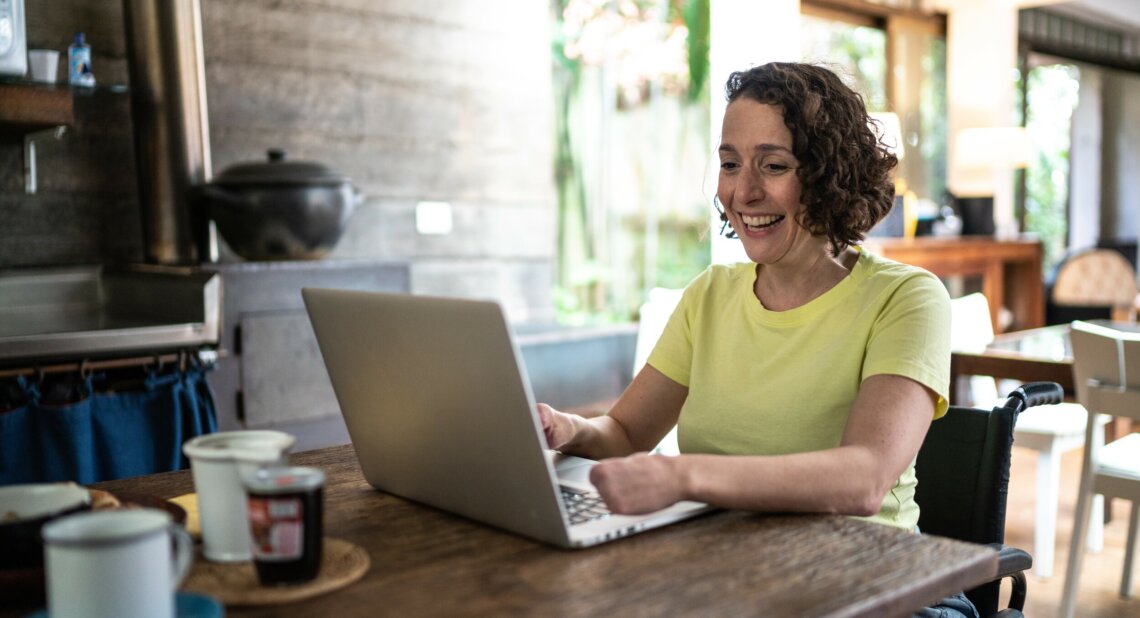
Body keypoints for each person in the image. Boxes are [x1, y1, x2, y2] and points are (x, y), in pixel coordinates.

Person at [537, 62, 972, 617]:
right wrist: (566, 427)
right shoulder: (711, 294)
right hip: (729, 574)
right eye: (729, 164)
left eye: (773, 165)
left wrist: (682, 475)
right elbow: (625, 431)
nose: (743, 191)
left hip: (873, 585)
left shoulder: (905, 298)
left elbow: (864, 476)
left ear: (828, 173)